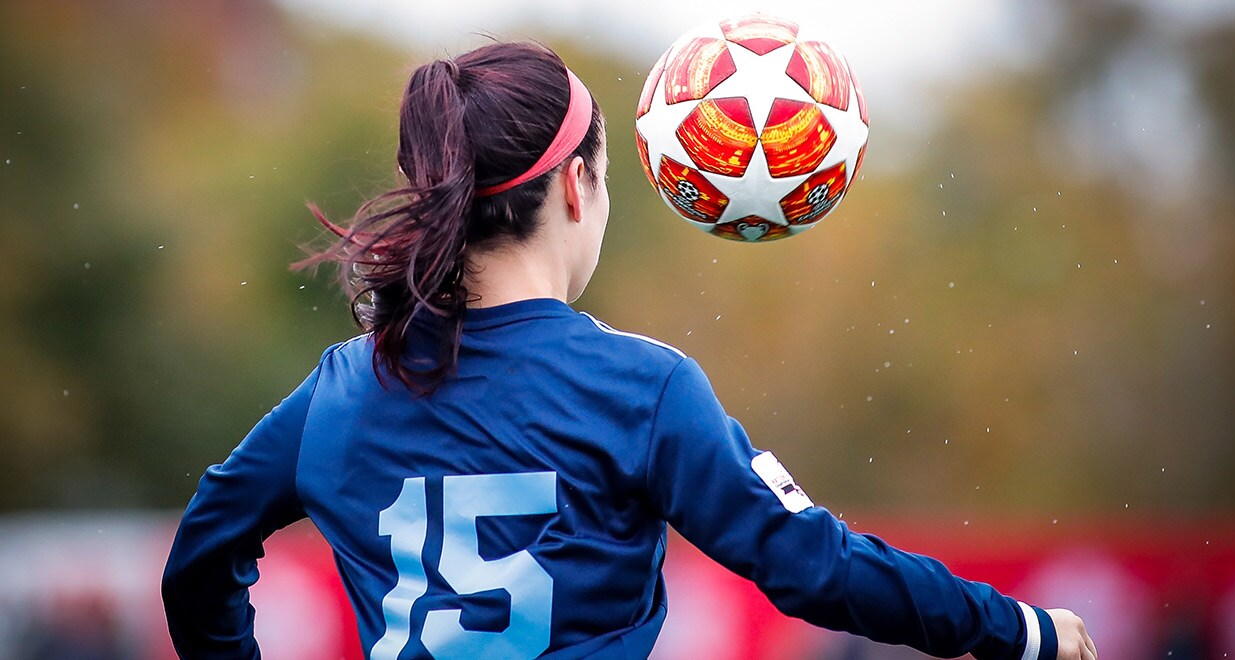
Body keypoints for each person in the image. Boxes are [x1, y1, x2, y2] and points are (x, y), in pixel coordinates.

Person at [161, 41, 1097, 660]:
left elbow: (199, 557)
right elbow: (811, 565)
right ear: (576, 187)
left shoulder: (339, 390)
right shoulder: (639, 390)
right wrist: (1015, 630)